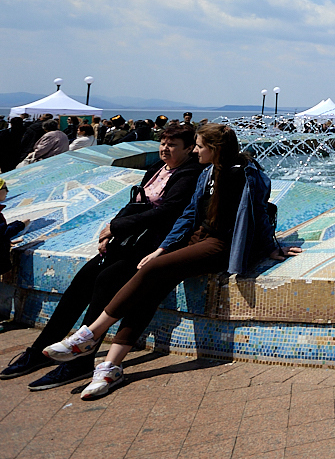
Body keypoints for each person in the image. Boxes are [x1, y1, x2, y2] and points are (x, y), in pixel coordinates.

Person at [41, 123, 301, 399]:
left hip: (221, 245)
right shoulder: (207, 173)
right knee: (150, 288)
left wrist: (271, 246)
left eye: (199, 146)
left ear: (214, 149)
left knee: (152, 269)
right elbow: (189, 215)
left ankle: (90, 335)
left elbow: (259, 210)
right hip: (198, 240)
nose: (196, 151)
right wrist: (163, 248)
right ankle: (110, 367)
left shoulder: (244, 174)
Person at [2, 125, 202, 389]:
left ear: (189, 148)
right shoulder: (157, 169)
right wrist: (111, 228)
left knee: (106, 282)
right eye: (163, 142)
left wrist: (118, 227)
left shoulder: (189, 174)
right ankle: (40, 350)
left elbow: (168, 212)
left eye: (173, 144)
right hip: (129, 241)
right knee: (82, 281)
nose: (165, 148)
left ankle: (80, 361)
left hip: (151, 247)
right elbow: (136, 202)